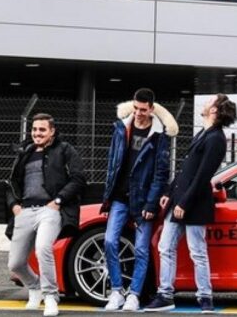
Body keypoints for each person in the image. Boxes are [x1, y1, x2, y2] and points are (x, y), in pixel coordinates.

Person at [144, 94, 237, 313]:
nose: (205, 104)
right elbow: (187, 170)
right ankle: (165, 294)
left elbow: (202, 176)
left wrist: (184, 202)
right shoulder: (203, 134)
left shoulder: (216, 139)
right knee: (165, 247)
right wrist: (169, 192)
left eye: (210, 102)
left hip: (193, 204)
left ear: (215, 110)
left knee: (197, 251)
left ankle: (205, 297)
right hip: (179, 200)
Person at [102, 88, 177, 312]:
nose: (138, 113)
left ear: (151, 109)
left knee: (142, 250)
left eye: (143, 109)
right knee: (109, 241)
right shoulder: (121, 128)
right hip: (119, 198)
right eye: (135, 108)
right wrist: (107, 197)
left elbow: (161, 174)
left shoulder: (159, 136)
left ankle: (134, 294)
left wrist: (151, 204)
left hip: (143, 201)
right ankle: (116, 290)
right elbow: (112, 164)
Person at [5, 113, 87, 317]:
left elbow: (79, 178)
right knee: (14, 263)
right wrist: (14, 205)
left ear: (52, 131)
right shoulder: (25, 152)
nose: (37, 133)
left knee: (43, 249)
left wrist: (58, 201)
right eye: (34, 129)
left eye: (42, 129)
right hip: (24, 211)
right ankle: (35, 287)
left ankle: (51, 296)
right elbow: (11, 183)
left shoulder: (65, 150)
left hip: (50, 210)